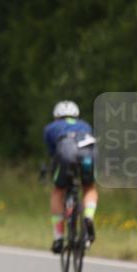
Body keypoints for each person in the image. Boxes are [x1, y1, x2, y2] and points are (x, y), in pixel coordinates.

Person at [43, 100, 98, 253]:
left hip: (66, 153)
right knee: (89, 187)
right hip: (88, 154)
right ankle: (88, 216)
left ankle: (59, 237)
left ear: (56, 116)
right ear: (76, 115)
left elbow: (53, 154)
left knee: (58, 191)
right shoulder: (86, 125)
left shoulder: (50, 128)